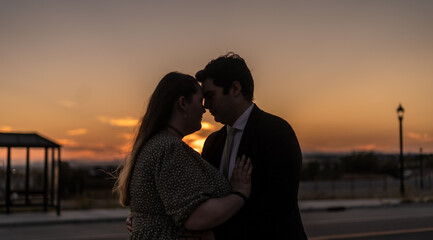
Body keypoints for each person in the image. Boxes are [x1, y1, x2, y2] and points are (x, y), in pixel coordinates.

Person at [113, 72, 252, 240]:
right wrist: (239, 194)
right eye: (200, 101)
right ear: (183, 103)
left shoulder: (155, 145)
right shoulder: (169, 148)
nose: (204, 108)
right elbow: (195, 218)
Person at [196, 52, 307, 239]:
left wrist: (219, 235)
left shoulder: (276, 131)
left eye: (210, 96)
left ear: (235, 88)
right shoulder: (212, 142)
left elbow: (279, 203)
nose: (206, 105)